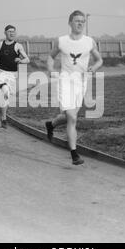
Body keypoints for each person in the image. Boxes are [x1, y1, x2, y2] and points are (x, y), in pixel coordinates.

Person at [46, 10, 103, 165]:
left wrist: (94, 68)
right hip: (65, 81)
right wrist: (51, 71)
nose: (80, 24)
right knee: (72, 117)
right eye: (77, 21)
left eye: (83, 21)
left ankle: (51, 125)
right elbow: (51, 56)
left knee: (70, 117)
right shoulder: (61, 41)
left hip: (81, 83)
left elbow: (99, 60)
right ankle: (74, 154)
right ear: (70, 23)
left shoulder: (89, 42)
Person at [0, 25, 30, 128]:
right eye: (9, 31)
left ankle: (3, 116)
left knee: (7, 97)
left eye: (13, 31)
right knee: (5, 91)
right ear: (5, 32)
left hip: (13, 75)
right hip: (1, 72)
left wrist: (21, 60)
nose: (11, 33)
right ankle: (4, 119)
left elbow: (27, 59)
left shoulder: (18, 46)